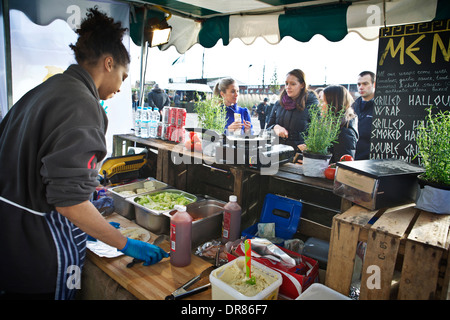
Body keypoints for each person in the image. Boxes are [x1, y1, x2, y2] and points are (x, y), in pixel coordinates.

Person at [0, 8, 168, 300]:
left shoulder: (44, 91)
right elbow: (70, 202)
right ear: (108, 63)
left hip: (11, 246)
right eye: (123, 74)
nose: (121, 84)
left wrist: (93, 227)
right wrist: (124, 243)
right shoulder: (83, 104)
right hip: (42, 252)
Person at [267, 69, 319, 153]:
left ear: (302, 85)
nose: (288, 87)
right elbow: (267, 128)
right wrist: (275, 127)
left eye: (293, 84)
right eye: (286, 83)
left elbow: (318, 132)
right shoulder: (278, 103)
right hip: (278, 152)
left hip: (299, 155)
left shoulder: (311, 104)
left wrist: (307, 147)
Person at [321, 85, 359, 163]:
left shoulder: (344, 131)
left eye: (323, 102)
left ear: (333, 104)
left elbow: (343, 165)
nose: (320, 105)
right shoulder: (332, 125)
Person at [352, 71, 376, 160]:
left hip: (370, 160)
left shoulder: (382, 108)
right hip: (352, 158)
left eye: (365, 84)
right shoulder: (352, 106)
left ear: (374, 84)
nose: (361, 87)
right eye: (359, 84)